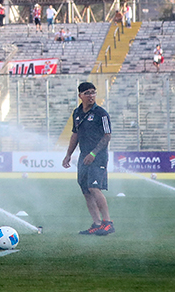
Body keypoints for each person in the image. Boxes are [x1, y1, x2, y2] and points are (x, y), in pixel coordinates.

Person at [63, 82, 114, 235]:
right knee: (85, 190)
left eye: (93, 92)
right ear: (80, 96)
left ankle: (107, 222)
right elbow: (75, 134)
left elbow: (107, 135)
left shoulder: (101, 114)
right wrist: (68, 154)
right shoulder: (77, 113)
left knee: (94, 187)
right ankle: (97, 223)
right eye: (87, 93)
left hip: (98, 156)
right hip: (83, 156)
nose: (91, 95)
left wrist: (93, 153)